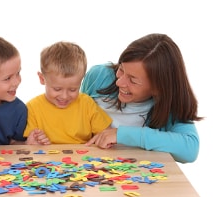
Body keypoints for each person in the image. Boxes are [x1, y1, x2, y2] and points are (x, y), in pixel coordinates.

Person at [82, 33, 202, 163]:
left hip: (138, 175)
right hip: (90, 167)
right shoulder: (99, 76)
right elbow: (77, 113)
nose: (119, 83)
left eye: (133, 80)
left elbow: (190, 149)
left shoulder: (168, 106)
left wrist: (121, 134)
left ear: (158, 88)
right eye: (121, 69)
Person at [23, 41, 112, 144]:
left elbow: (107, 133)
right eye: (57, 89)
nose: (65, 96)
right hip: (45, 158)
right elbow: (27, 143)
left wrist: (104, 140)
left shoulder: (87, 104)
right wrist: (32, 142)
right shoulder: (32, 108)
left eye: (73, 89)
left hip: (82, 158)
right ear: (42, 78)